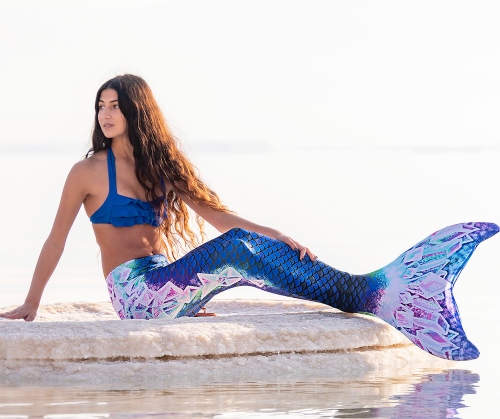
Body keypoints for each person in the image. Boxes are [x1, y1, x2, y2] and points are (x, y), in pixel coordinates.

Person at [1, 74, 498, 362]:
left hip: (164, 283)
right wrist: (31, 303)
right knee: (238, 249)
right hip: (134, 294)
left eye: (116, 105)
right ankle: (366, 293)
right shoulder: (86, 171)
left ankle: (373, 291)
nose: (106, 114)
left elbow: (219, 218)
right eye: (101, 106)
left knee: (243, 243)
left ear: (137, 111)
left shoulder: (158, 168)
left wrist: (273, 233)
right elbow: (55, 240)